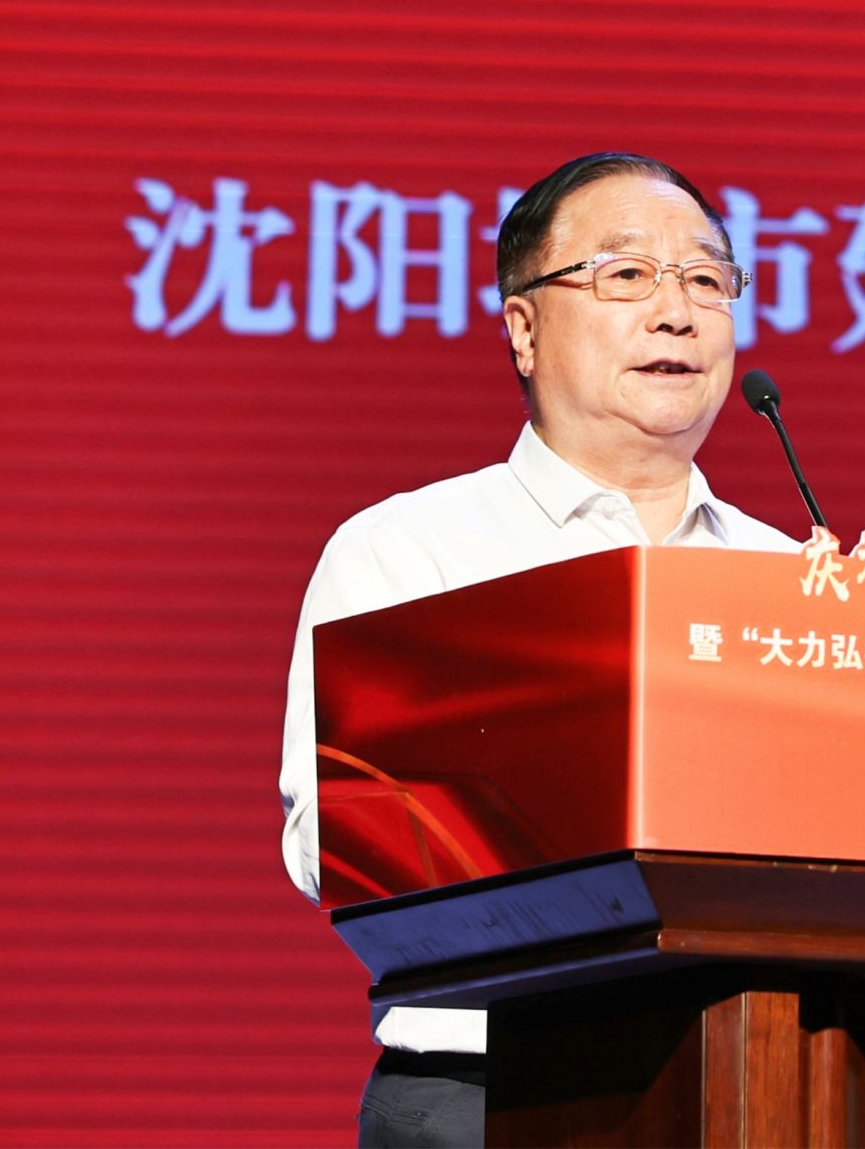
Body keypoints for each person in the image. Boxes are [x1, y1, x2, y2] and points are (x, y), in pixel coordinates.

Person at [279, 152, 802, 1146]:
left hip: (756, 1088)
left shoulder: (793, 576)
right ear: (523, 328)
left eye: (705, 278)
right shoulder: (413, 553)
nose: (677, 312)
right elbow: (334, 845)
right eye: (626, 274)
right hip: (487, 1093)